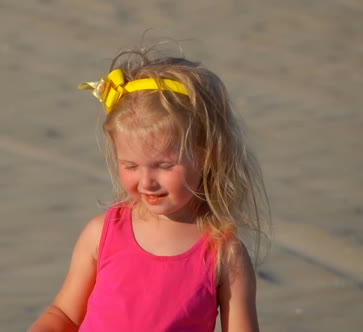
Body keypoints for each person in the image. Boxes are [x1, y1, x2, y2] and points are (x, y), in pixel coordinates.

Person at [28, 46, 270, 332]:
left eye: (165, 166)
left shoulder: (224, 253)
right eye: (130, 166)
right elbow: (64, 314)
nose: (146, 181)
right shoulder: (102, 233)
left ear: (208, 154)